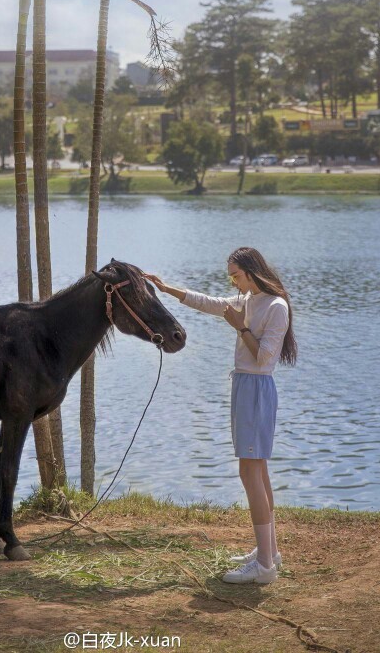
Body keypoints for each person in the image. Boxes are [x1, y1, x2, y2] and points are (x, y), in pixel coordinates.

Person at [146, 247, 297, 585]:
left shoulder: (275, 306)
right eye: (231, 277)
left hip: (257, 388)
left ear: (252, 271)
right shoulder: (250, 299)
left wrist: (240, 328)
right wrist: (167, 288)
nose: (233, 282)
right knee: (258, 472)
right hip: (245, 386)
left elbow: (264, 360)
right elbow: (210, 302)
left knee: (250, 472)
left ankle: (264, 569)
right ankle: (268, 553)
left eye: (236, 275)